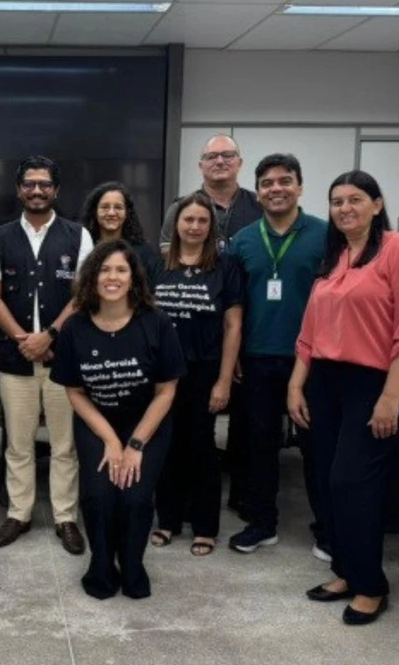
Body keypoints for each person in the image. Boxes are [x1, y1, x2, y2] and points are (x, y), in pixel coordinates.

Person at [288, 170, 399, 626]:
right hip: (325, 382)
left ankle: (371, 585)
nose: (345, 208)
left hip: (377, 384)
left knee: (354, 482)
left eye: (355, 199)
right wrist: (296, 384)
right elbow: (309, 335)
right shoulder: (335, 257)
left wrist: (392, 398)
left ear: (376, 203)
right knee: (327, 481)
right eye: (336, 201)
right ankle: (346, 572)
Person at [51, 240, 184, 599]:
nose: (113, 277)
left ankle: (132, 565)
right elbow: (75, 392)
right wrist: (111, 440)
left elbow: (166, 392)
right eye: (105, 269)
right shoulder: (74, 328)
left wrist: (135, 445)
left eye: (121, 270)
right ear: (92, 277)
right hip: (98, 423)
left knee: (135, 498)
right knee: (98, 497)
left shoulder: (156, 322)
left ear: (133, 277)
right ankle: (100, 567)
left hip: (148, 425)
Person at [0, 155, 94, 555]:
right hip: (15, 359)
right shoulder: (0, 236)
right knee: (18, 444)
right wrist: (22, 339)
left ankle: (65, 518)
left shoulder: (79, 235)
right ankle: (19, 514)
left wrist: (50, 335)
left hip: (64, 359)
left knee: (64, 445)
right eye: (30, 183)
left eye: (45, 184)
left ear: (56, 190)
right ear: (19, 190)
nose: (37, 190)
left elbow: (83, 295)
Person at [226, 154, 330, 558]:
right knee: (259, 445)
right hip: (256, 357)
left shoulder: (326, 235)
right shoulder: (244, 241)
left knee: (315, 445)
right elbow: (233, 306)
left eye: (285, 181)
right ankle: (261, 523)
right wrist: (232, 356)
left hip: (313, 360)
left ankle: (327, 529)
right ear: (258, 191)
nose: (276, 189)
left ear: (300, 186)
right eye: (267, 183)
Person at [150, 191, 243, 556]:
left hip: (204, 371)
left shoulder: (225, 266)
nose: (195, 226)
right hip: (162, 375)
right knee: (166, 448)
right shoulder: (159, 265)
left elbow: (233, 326)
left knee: (202, 449)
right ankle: (168, 521)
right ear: (176, 223)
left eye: (203, 221)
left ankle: (205, 526)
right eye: (188, 219)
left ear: (212, 227)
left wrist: (223, 380)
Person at [159, 135, 263, 253]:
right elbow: (167, 257)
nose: (219, 161)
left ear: (239, 163)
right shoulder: (180, 208)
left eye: (227, 155)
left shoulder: (260, 205)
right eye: (211, 157)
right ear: (201, 166)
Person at [80, 181, 161, 282]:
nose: (111, 213)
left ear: (127, 213)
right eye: (105, 207)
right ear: (94, 212)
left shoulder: (143, 252)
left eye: (118, 207)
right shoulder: (82, 246)